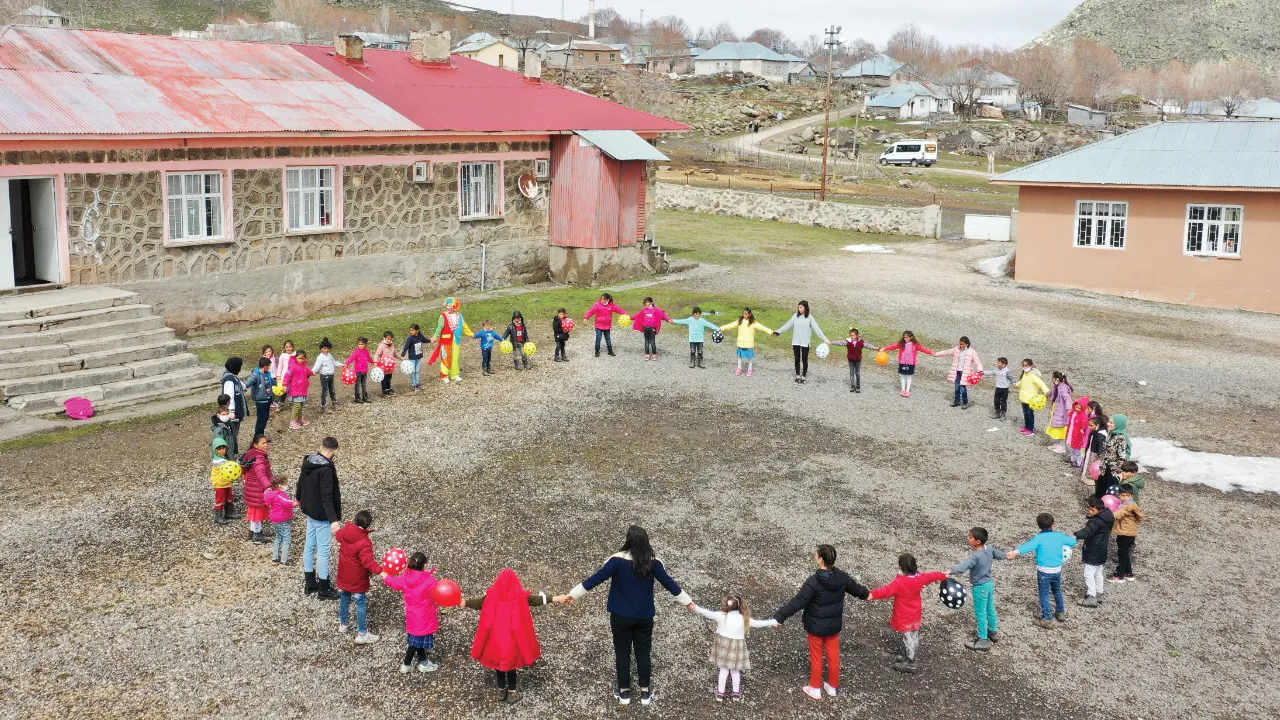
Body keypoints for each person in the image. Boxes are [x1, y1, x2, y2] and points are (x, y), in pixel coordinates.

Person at [553, 525, 693, 707]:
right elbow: (670, 584)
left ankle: (624, 692)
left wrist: (573, 594)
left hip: (620, 616)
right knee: (643, 653)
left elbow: (595, 579)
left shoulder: (617, 561)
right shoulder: (653, 563)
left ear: (628, 541)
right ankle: (645, 692)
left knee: (622, 652)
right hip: (644, 617)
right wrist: (688, 602)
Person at [772, 544, 869, 700]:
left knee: (817, 657)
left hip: (815, 626)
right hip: (833, 625)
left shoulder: (813, 582)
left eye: (816, 554)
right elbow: (858, 590)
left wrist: (780, 617)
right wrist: (867, 595)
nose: (814, 555)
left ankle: (815, 688)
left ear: (821, 558)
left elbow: (798, 602)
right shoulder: (842, 577)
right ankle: (832, 687)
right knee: (833, 655)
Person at [464, 569, 552, 704]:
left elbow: (476, 603)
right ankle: (512, 693)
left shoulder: (490, 598)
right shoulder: (520, 599)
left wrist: (462, 602)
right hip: (511, 644)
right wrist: (556, 598)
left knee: (498, 667)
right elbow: (536, 600)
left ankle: (501, 690)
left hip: (495, 643)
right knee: (511, 668)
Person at [867, 554, 947, 673]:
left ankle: (910, 662)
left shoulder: (900, 582)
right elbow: (932, 576)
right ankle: (911, 655)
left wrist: (871, 594)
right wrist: (943, 575)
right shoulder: (920, 577)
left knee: (907, 638)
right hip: (915, 613)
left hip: (904, 615)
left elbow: (885, 591)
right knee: (914, 635)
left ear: (901, 566)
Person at [692, 595, 777, 701]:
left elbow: (708, 613)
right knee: (735, 671)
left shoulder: (722, 616)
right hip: (737, 648)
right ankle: (736, 694)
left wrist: (695, 607)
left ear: (726, 604)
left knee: (723, 670)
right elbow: (760, 624)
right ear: (740, 606)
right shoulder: (744, 619)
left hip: (723, 647)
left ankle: (720, 694)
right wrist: (774, 621)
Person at [1006, 513, 1078, 628]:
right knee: (1057, 590)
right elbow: (1073, 542)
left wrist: (1015, 552)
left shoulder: (1038, 538)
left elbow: (1028, 546)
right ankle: (1060, 612)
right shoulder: (1059, 536)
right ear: (1053, 524)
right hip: (1057, 570)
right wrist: (1075, 537)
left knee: (1044, 594)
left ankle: (1047, 618)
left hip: (1044, 571)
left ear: (1038, 526)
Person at [299, 436, 342, 600]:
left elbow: (300, 482)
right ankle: (324, 586)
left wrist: (299, 498)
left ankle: (310, 583)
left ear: (321, 446)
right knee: (323, 551)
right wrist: (333, 520)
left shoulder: (309, 461)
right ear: (335, 450)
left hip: (309, 510)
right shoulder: (326, 470)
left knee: (309, 547)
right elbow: (327, 496)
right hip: (322, 515)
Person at [383, 552, 441, 674]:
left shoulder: (405, 577)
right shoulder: (430, 581)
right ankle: (406, 664)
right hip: (425, 617)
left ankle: (423, 661)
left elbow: (394, 582)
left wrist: (385, 575)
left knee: (416, 640)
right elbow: (440, 593)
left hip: (412, 616)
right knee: (414, 644)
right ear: (424, 565)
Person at [949, 527, 1004, 651]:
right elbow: (999, 554)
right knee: (990, 609)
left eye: (970, 537)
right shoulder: (988, 548)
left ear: (977, 541)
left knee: (981, 613)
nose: (968, 539)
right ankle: (993, 632)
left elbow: (964, 567)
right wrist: (1008, 555)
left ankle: (982, 640)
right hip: (989, 584)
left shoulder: (975, 556)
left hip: (980, 588)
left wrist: (950, 571)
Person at [335, 509, 383, 645]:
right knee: (360, 603)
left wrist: (337, 528)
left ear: (355, 520)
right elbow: (368, 562)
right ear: (368, 525)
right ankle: (362, 633)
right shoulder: (365, 542)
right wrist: (381, 571)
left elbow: (338, 535)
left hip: (344, 575)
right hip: (357, 579)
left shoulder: (345, 532)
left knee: (344, 597)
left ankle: (344, 624)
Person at [772, 300, 829, 385]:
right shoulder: (795, 316)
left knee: (804, 359)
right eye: (798, 307)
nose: (799, 309)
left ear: (805, 308)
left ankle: (804, 376)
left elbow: (817, 329)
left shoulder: (810, 317)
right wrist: (778, 331)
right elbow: (787, 325)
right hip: (796, 341)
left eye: (801, 307)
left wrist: (825, 339)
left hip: (805, 342)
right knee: (797, 359)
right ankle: (798, 375)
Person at [1073, 497, 1114, 608]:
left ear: (1099, 510)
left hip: (1093, 550)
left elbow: (1087, 531)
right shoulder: (1108, 517)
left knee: (1088, 573)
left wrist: (1076, 535)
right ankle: (1099, 593)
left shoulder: (1095, 521)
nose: (1090, 512)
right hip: (1102, 549)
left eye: (1092, 510)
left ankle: (1091, 595)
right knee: (1098, 572)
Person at [209, 396, 240, 520]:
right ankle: (218, 515)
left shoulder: (228, 424)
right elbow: (218, 445)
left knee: (229, 492)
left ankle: (229, 511)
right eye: (223, 414)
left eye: (227, 413)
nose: (226, 415)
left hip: (229, 459)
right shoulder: (219, 430)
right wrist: (225, 455)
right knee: (221, 495)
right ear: (217, 414)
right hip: (224, 463)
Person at [719, 308, 773, 378]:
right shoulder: (740, 321)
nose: (744, 315)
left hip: (748, 343)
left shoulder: (753, 322)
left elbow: (762, 327)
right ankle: (739, 368)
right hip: (740, 342)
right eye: (743, 314)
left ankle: (750, 369)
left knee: (749, 357)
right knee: (739, 356)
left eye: (746, 314)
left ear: (749, 314)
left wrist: (770, 332)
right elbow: (731, 325)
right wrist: (721, 328)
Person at [428, 298, 471, 384]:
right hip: (446, 340)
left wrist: (471, 334)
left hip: (456, 339)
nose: (448, 307)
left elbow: (464, 326)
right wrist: (435, 336)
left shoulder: (460, 315)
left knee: (455, 357)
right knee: (445, 357)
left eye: (450, 306)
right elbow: (439, 327)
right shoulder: (443, 315)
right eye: (447, 305)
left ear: (455, 306)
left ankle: (455, 374)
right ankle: (444, 375)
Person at [935, 336, 984, 409]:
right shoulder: (956, 349)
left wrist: (980, 370)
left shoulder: (972, 352)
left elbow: (977, 362)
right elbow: (946, 352)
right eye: (960, 344)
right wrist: (935, 354)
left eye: (962, 344)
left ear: (967, 344)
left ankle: (965, 402)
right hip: (957, 372)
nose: (960, 346)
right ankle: (956, 401)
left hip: (965, 373)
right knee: (957, 387)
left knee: (963, 388)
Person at [241, 434, 274, 545]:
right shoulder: (259, 459)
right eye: (263, 443)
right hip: (257, 490)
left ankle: (251, 532)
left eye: (266, 443)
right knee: (257, 513)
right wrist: (268, 486)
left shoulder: (251, 455)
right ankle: (257, 534)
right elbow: (261, 475)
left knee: (254, 512)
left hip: (251, 489)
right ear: (255, 445)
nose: (266, 445)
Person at [880, 330, 933, 398]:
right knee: (902, 376)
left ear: (911, 337)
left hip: (911, 364)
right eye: (904, 337)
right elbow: (893, 346)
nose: (906, 339)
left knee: (909, 377)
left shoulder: (915, 345)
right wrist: (884, 348)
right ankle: (903, 389)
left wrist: (931, 352)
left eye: (907, 337)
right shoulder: (901, 344)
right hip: (902, 362)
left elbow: (923, 349)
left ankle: (907, 390)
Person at [1111, 484, 1144, 582]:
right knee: (1125, 553)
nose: (1125, 498)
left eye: (1127, 496)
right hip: (1127, 532)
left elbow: (1120, 513)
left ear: (1131, 496)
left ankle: (1119, 575)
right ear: (1119, 495)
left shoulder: (1129, 506)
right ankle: (1128, 573)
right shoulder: (1128, 504)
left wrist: (1108, 515)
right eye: (1123, 495)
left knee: (1122, 554)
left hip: (1126, 533)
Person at [830, 328, 878, 393]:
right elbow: (840, 342)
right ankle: (852, 386)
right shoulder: (847, 341)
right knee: (851, 373)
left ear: (857, 335)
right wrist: (831, 342)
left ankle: (858, 386)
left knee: (857, 373)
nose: (852, 337)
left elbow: (869, 346)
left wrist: (878, 348)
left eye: (853, 335)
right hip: (851, 360)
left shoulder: (861, 342)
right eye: (851, 335)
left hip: (858, 360)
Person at [264, 476, 300, 565]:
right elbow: (289, 503)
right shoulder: (279, 495)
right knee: (286, 538)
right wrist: (299, 502)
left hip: (275, 519)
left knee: (278, 537)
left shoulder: (270, 493)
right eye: (285, 484)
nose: (286, 486)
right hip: (283, 519)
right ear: (280, 486)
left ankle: (275, 557)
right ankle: (284, 559)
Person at [1098, 414, 1132, 498]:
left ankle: (1107, 504)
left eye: (1111, 422)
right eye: (1108, 421)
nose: (1108, 424)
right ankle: (1099, 501)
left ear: (1118, 424)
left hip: (1113, 468)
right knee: (1102, 483)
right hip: (1106, 464)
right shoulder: (1111, 433)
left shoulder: (1120, 437)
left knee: (1109, 487)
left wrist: (1120, 471)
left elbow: (1122, 456)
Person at [219, 357, 248, 457]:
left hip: (236, 412)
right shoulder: (229, 380)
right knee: (232, 434)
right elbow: (229, 395)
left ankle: (233, 452)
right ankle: (231, 454)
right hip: (233, 414)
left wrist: (244, 386)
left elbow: (240, 385)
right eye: (239, 367)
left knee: (235, 433)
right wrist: (230, 411)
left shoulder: (233, 377)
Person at [1013, 358, 1050, 435]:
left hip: (1031, 399)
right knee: (1025, 413)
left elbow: (1041, 384)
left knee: (1030, 414)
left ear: (1031, 366)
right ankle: (1026, 427)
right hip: (1024, 398)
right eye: (1023, 365)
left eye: (1026, 365)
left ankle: (1031, 429)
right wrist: (1016, 384)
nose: (1024, 367)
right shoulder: (1025, 375)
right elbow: (1022, 382)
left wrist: (1047, 391)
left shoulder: (1033, 376)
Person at [585, 293, 628, 357]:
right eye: (602, 299)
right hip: (599, 326)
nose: (602, 300)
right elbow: (591, 311)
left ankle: (610, 351)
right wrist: (586, 318)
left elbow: (618, 309)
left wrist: (624, 313)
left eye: (604, 299)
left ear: (607, 299)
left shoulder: (611, 306)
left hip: (607, 326)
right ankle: (597, 352)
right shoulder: (597, 305)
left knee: (608, 339)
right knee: (598, 339)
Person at [282, 349, 314, 430]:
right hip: (295, 390)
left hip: (302, 390)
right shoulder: (293, 367)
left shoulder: (303, 366)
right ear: (296, 358)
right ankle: (292, 422)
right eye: (299, 358)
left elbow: (307, 371)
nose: (301, 360)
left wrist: (312, 373)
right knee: (297, 406)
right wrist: (285, 385)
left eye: (302, 358)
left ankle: (299, 418)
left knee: (300, 405)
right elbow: (287, 375)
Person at [632, 297, 673, 361]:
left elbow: (662, 315)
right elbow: (637, 316)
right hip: (646, 328)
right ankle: (647, 354)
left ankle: (654, 354)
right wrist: (630, 318)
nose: (646, 304)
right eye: (645, 302)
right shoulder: (644, 310)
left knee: (652, 342)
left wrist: (668, 319)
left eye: (648, 302)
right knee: (646, 342)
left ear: (651, 303)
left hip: (652, 329)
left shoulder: (656, 310)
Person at [244, 357, 275, 437]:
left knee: (265, 418)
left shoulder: (267, 374)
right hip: (261, 401)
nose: (269, 368)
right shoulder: (256, 375)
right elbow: (250, 382)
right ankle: (257, 437)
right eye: (269, 366)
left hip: (268, 399)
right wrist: (245, 386)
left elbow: (271, 381)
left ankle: (261, 436)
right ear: (265, 366)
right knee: (261, 420)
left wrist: (280, 383)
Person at [1046, 372, 1075, 451]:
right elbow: (1053, 391)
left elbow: (1068, 399)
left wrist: (1069, 409)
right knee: (1056, 425)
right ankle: (1058, 443)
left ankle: (1062, 446)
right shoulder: (1057, 386)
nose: (1052, 379)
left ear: (1056, 379)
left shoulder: (1063, 388)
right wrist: (1048, 394)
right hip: (1057, 408)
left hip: (1062, 411)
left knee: (1061, 427)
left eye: (1053, 377)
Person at [210, 436, 234, 526]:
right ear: (215, 450)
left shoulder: (225, 458)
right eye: (219, 449)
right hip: (220, 484)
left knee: (229, 496)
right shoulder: (218, 461)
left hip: (226, 482)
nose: (222, 450)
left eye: (223, 448)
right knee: (220, 499)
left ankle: (229, 512)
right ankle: (218, 516)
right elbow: (228, 467)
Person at [312, 339, 341, 411]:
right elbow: (316, 366)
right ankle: (323, 406)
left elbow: (334, 362)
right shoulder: (320, 357)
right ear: (321, 349)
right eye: (324, 348)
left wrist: (341, 364)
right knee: (325, 391)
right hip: (324, 376)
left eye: (328, 348)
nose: (326, 350)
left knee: (332, 389)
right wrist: (311, 372)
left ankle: (334, 403)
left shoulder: (330, 355)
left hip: (331, 375)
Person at [1066, 395, 1093, 468]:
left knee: (1078, 449)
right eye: (1076, 407)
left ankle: (1078, 462)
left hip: (1078, 435)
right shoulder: (1074, 412)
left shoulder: (1083, 416)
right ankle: (1072, 458)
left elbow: (1083, 428)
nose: (1077, 409)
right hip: (1073, 433)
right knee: (1073, 447)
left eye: (1079, 408)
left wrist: (1082, 433)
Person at [402, 323, 430, 390]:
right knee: (413, 371)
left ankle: (417, 383)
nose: (411, 331)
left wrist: (430, 340)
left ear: (417, 330)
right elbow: (406, 346)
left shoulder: (420, 335)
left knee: (417, 370)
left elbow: (424, 340)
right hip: (412, 357)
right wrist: (403, 354)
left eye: (412, 330)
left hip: (419, 356)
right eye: (410, 330)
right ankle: (414, 384)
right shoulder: (410, 338)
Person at [347, 338, 373, 403]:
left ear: (365, 344)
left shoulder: (366, 351)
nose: (361, 345)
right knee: (357, 384)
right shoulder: (356, 351)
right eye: (359, 344)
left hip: (365, 370)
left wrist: (373, 362)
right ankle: (357, 397)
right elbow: (351, 358)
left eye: (362, 344)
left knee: (364, 384)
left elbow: (369, 358)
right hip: (358, 371)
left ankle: (364, 396)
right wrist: (347, 364)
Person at [374, 331, 399, 395]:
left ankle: (389, 388)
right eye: (387, 339)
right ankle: (384, 390)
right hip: (383, 366)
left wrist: (400, 357)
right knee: (384, 378)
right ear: (384, 338)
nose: (389, 340)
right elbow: (377, 354)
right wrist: (376, 362)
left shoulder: (392, 344)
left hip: (390, 366)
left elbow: (395, 353)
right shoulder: (381, 346)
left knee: (389, 377)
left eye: (390, 339)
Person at [260, 344, 280, 409]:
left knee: (273, 389)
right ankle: (270, 401)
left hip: (274, 375)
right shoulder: (263, 360)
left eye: (269, 351)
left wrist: (278, 374)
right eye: (266, 352)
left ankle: (272, 401)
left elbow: (276, 366)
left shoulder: (273, 358)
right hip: (268, 376)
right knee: (268, 389)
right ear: (264, 353)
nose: (268, 353)